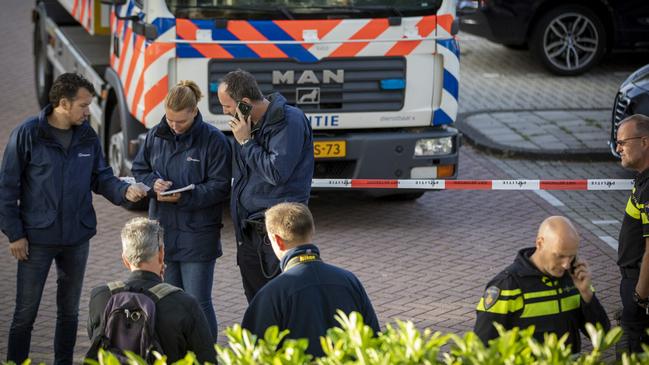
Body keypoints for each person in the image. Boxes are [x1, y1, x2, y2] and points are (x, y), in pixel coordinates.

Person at [0, 73, 146, 364]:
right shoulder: (29, 134)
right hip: (36, 240)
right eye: (83, 105)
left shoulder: (87, 135)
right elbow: (6, 187)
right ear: (63, 103)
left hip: (76, 239)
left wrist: (124, 191)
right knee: (25, 313)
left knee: (69, 312)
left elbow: (101, 177)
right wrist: (14, 234)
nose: (88, 111)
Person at [131, 80, 231, 341]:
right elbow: (139, 170)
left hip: (198, 234)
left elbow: (220, 187)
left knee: (198, 301)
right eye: (170, 120)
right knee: (170, 299)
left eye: (181, 122)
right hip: (163, 231)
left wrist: (185, 197)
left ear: (194, 112)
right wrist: (154, 183)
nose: (174, 127)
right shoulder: (156, 134)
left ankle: (206, 356)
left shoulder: (214, 141)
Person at [217, 69, 314, 302]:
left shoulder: (288, 120)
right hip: (249, 233)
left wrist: (247, 142)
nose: (224, 111)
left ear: (245, 103)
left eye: (228, 106)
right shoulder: (248, 123)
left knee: (281, 304)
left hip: (277, 232)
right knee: (258, 304)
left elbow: (276, 172)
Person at [241, 202, 380, 357]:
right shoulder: (349, 281)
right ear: (312, 230)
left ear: (278, 240)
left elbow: (253, 353)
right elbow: (374, 339)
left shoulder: (271, 293)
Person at [87, 217, 215, 362]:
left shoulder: (100, 296)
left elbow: (95, 341)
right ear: (161, 254)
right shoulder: (184, 303)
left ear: (125, 260)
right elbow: (207, 359)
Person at [474, 216, 610, 352]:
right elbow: (482, 347)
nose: (566, 264)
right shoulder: (507, 285)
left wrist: (587, 294)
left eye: (572, 256)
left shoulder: (576, 279)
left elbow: (603, 337)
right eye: (560, 256)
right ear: (540, 243)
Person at [615, 114, 649, 353]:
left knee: (630, 353)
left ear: (644, 142)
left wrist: (639, 298)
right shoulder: (642, 181)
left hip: (640, 286)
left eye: (623, 143)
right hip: (634, 281)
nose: (618, 149)